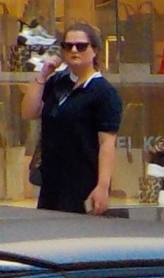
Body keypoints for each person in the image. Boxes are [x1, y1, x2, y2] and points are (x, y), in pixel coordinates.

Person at [24, 22, 124, 214]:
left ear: (94, 50)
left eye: (81, 46)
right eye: (68, 46)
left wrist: (103, 186)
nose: (74, 50)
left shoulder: (103, 92)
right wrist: (43, 76)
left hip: (83, 181)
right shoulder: (58, 82)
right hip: (52, 181)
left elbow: (107, 143)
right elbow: (29, 112)